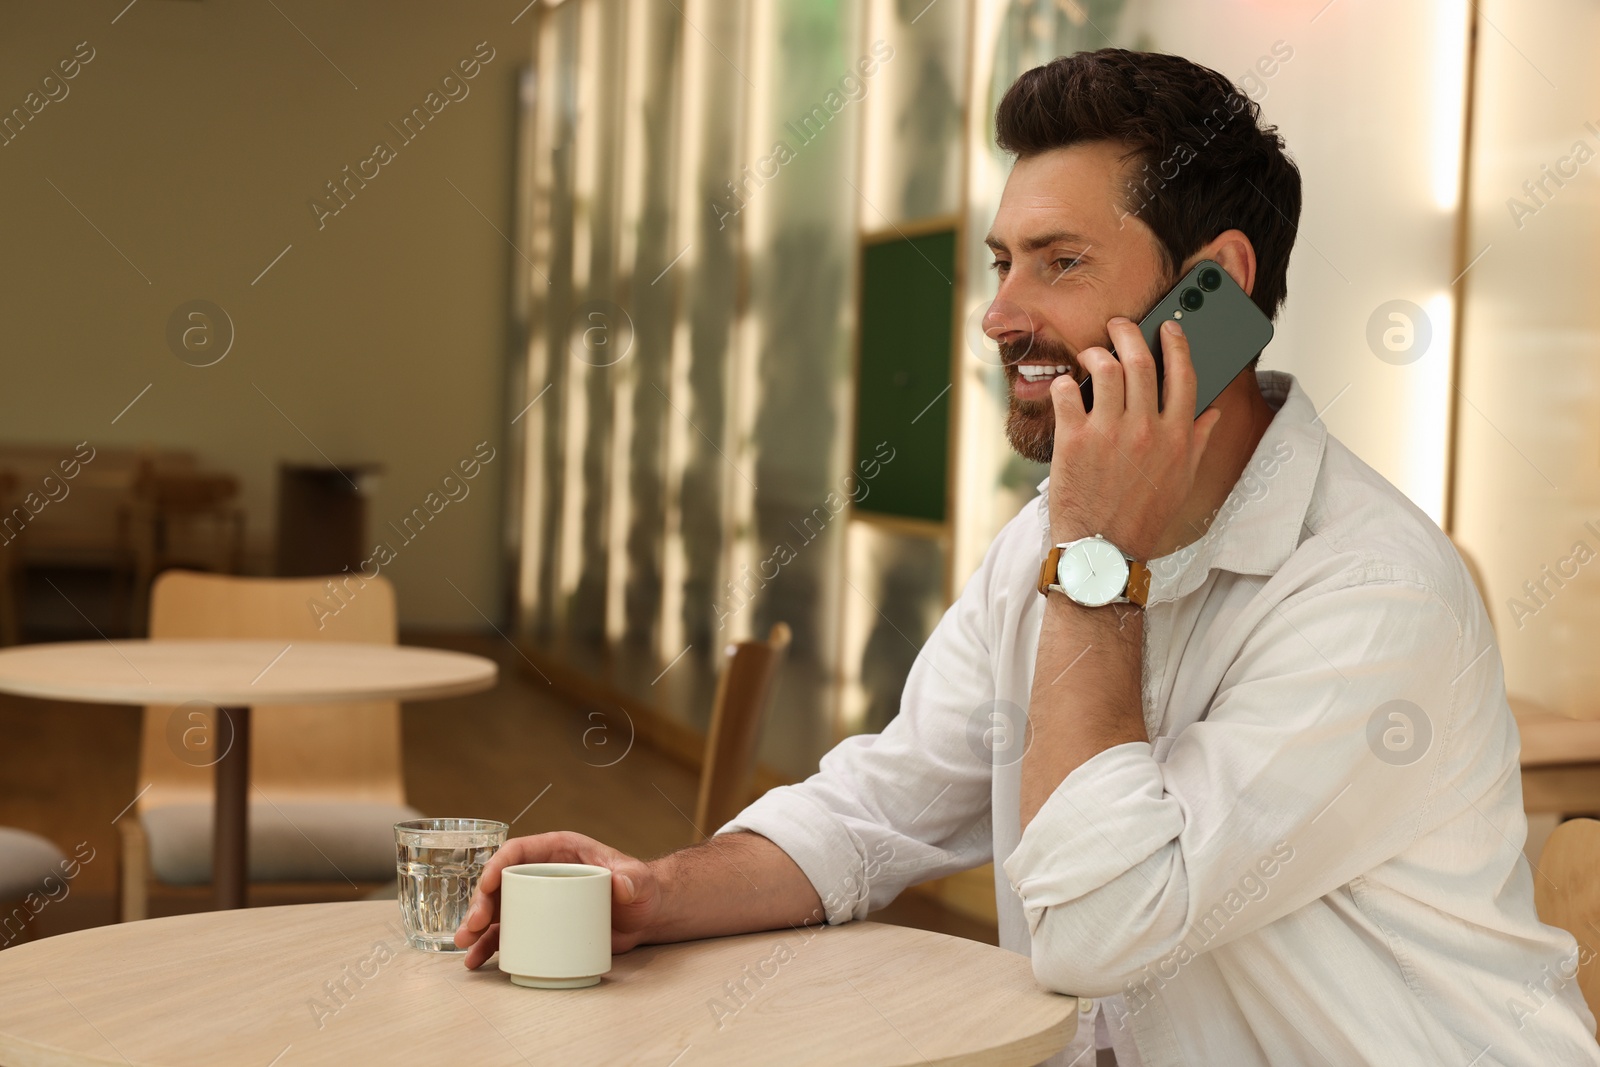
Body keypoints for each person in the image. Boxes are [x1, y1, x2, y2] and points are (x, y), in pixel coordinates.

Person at [457, 49, 1600, 1066]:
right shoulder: (1041, 542)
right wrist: (658, 890)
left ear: (1216, 292)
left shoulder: (1368, 589)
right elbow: (879, 807)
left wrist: (1099, 558)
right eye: (1002, 261)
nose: (999, 314)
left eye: (1056, 263)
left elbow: (1102, 927)